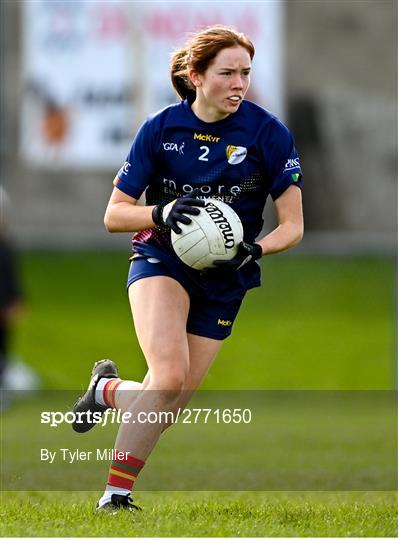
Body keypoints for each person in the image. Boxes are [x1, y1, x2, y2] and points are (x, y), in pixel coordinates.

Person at [72, 25, 304, 512]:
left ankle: (106, 389)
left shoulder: (268, 133)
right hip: (161, 259)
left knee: (168, 402)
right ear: (196, 75)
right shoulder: (161, 129)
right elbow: (114, 214)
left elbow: (293, 226)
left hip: (229, 274)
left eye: (245, 73)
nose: (239, 83)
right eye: (227, 73)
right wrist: (162, 212)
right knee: (169, 376)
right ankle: (115, 496)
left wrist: (256, 251)